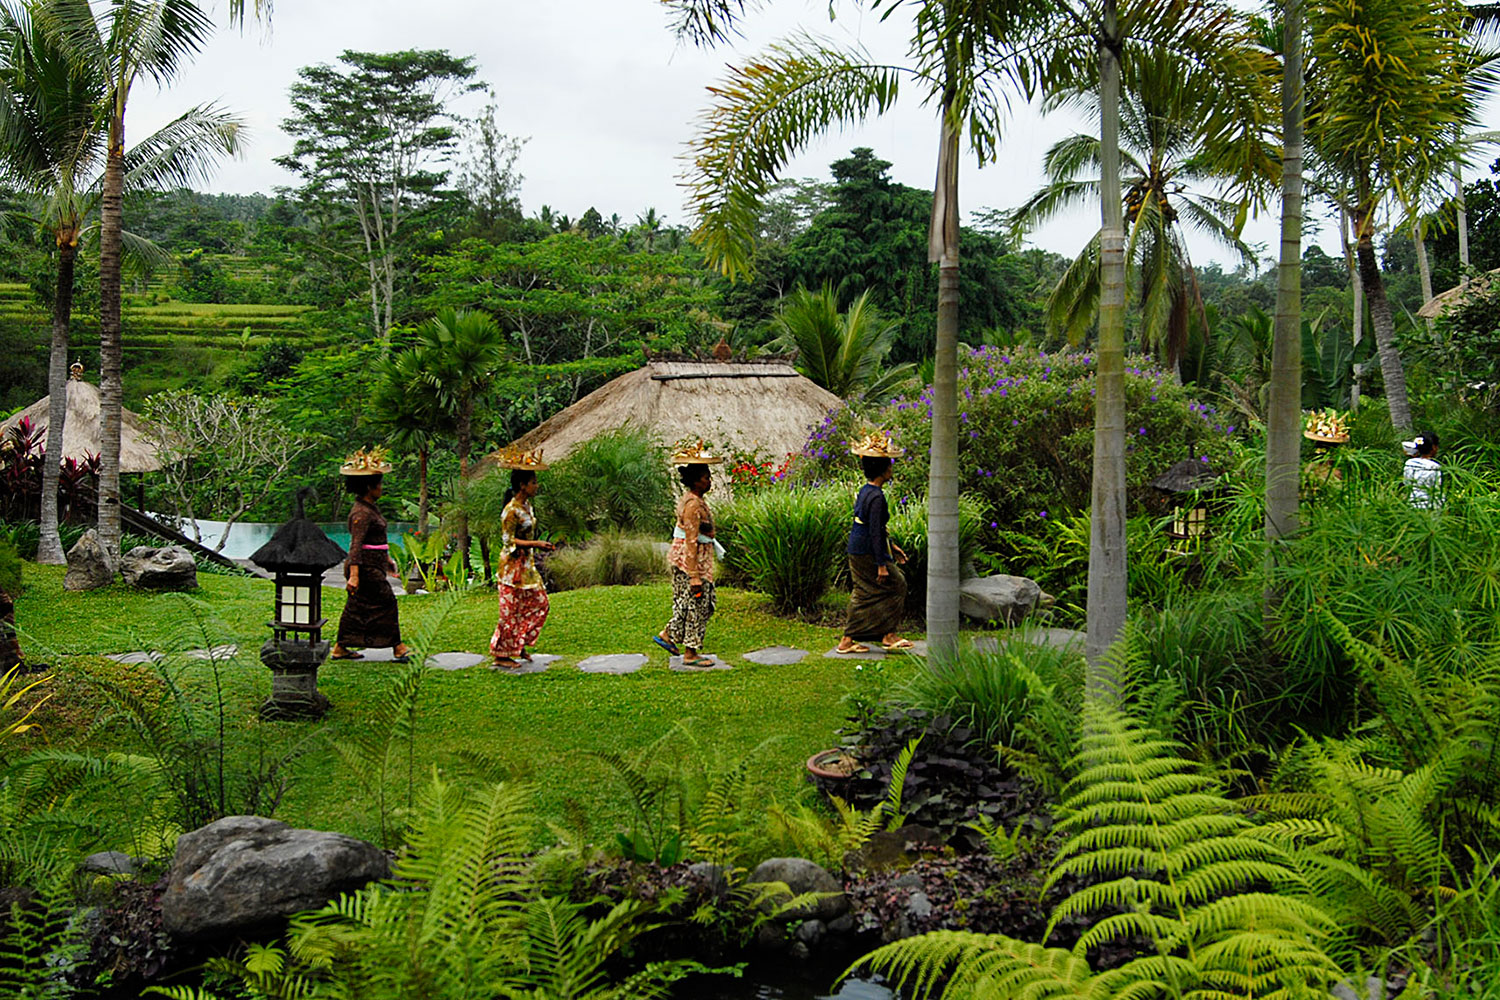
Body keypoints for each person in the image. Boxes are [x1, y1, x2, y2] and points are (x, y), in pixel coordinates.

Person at [332, 447, 411, 662]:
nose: (381, 487)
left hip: (373, 566)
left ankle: (340, 647)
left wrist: (386, 560)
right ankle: (398, 647)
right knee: (387, 602)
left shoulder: (370, 508)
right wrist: (355, 575)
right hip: (364, 569)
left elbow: (376, 540)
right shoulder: (361, 513)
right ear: (369, 486)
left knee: (356, 607)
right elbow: (356, 546)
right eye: (379, 483)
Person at [837, 430, 913, 653]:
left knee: (867, 591)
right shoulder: (877, 497)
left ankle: (857, 638)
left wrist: (893, 547)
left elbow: (875, 527)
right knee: (894, 585)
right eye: (890, 465)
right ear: (884, 470)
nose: (892, 468)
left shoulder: (867, 491)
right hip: (866, 550)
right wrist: (881, 564)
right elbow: (874, 532)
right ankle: (881, 636)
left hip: (859, 547)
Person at [655, 442, 724, 668]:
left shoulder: (693, 501)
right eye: (705, 477)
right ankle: (690, 652)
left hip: (689, 558)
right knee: (698, 603)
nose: (709, 480)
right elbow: (691, 540)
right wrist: (694, 575)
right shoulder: (692, 505)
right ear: (696, 481)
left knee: (687, 603)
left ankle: (669, 635)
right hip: (690, 561)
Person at [489, 448, 555, 668]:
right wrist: (536, 543)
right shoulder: (510, 511)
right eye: (533, 482)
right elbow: (508, 541)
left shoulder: (527, 506)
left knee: (539, 603)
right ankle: (502, 655)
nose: (536, 486)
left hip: (527, 566)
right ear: (523, 486)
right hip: (511, 568)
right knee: (509, 612)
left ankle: (519, 644)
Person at [1402, 431, 1442, 510]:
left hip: (1412, 503)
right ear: (1434, 447)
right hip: (1429, 506)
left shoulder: (1409, 463)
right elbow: (1436, 489)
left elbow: (1407, 483)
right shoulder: (1434, 467)